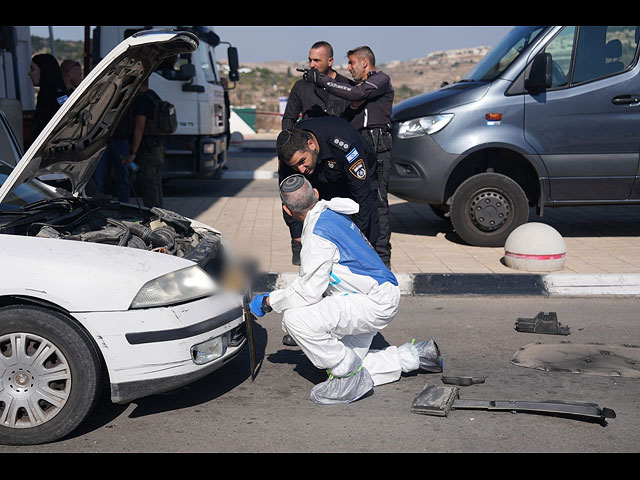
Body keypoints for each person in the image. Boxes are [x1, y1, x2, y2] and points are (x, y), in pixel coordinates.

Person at [249, 174, 443, 405]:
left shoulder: (318, 236)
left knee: (296, 320)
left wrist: (269, 301)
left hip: (369, 301)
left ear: (287, 210)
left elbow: (308, 291)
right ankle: (418, 356)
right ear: (317, 195)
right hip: (373, 296)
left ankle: (348, 378)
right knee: (350, 360)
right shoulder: (331, 214)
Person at [306, 46, 394, 267]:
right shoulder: (355, 87)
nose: (349, 68)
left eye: (352, 63)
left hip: (377, 147)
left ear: (365, 63)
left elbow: (356, 94)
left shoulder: (380, 80)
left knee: (379, 202)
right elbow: (351, 95)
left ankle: (382, 259)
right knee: (354, 199)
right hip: (357, 146)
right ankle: (358, 251)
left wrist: (321, 79)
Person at [281, 41, 352, 265]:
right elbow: (289, 119)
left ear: (330, 61)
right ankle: (298, 243)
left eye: (316, 60)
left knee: (335, 200)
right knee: (295, 196)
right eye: (309, 59)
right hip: (305, 155)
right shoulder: (301, 87)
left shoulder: (344, 86)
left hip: (334, 158)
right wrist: (290, 149)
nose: (311, 64)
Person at [277, 116, 380, 249]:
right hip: (323, 180)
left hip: (356, 179)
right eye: (294, 166)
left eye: (302, 161)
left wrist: (359, 240)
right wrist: (296, 231)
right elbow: (289, 195)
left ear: (311, 144)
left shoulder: (343, 144)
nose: (300, 170)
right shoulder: (291, 152)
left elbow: (362, 195)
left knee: (367, 233)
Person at [126, 78, 165, 208]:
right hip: (157, 147)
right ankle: (161, 217)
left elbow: (140, 127)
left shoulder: (141, 99)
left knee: (149, 188)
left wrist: (133, 152)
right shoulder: (153, 95)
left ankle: (155, 221)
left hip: (146, 150)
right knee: (156, 185)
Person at [27, 53, 70, 144]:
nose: (29, 73)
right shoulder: (45, 94)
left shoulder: (57, 95)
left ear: (44, 70)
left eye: (32, 69)